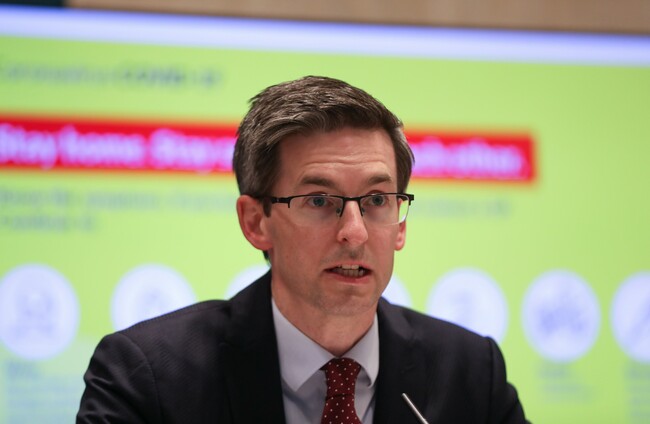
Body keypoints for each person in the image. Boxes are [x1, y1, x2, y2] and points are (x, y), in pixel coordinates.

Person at [77, 76, 528, 423]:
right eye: (319, 201)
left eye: (376, 200)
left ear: (400, 225)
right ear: (256, 222)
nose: (355, 232)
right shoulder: (147, 378)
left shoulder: (472, 375)